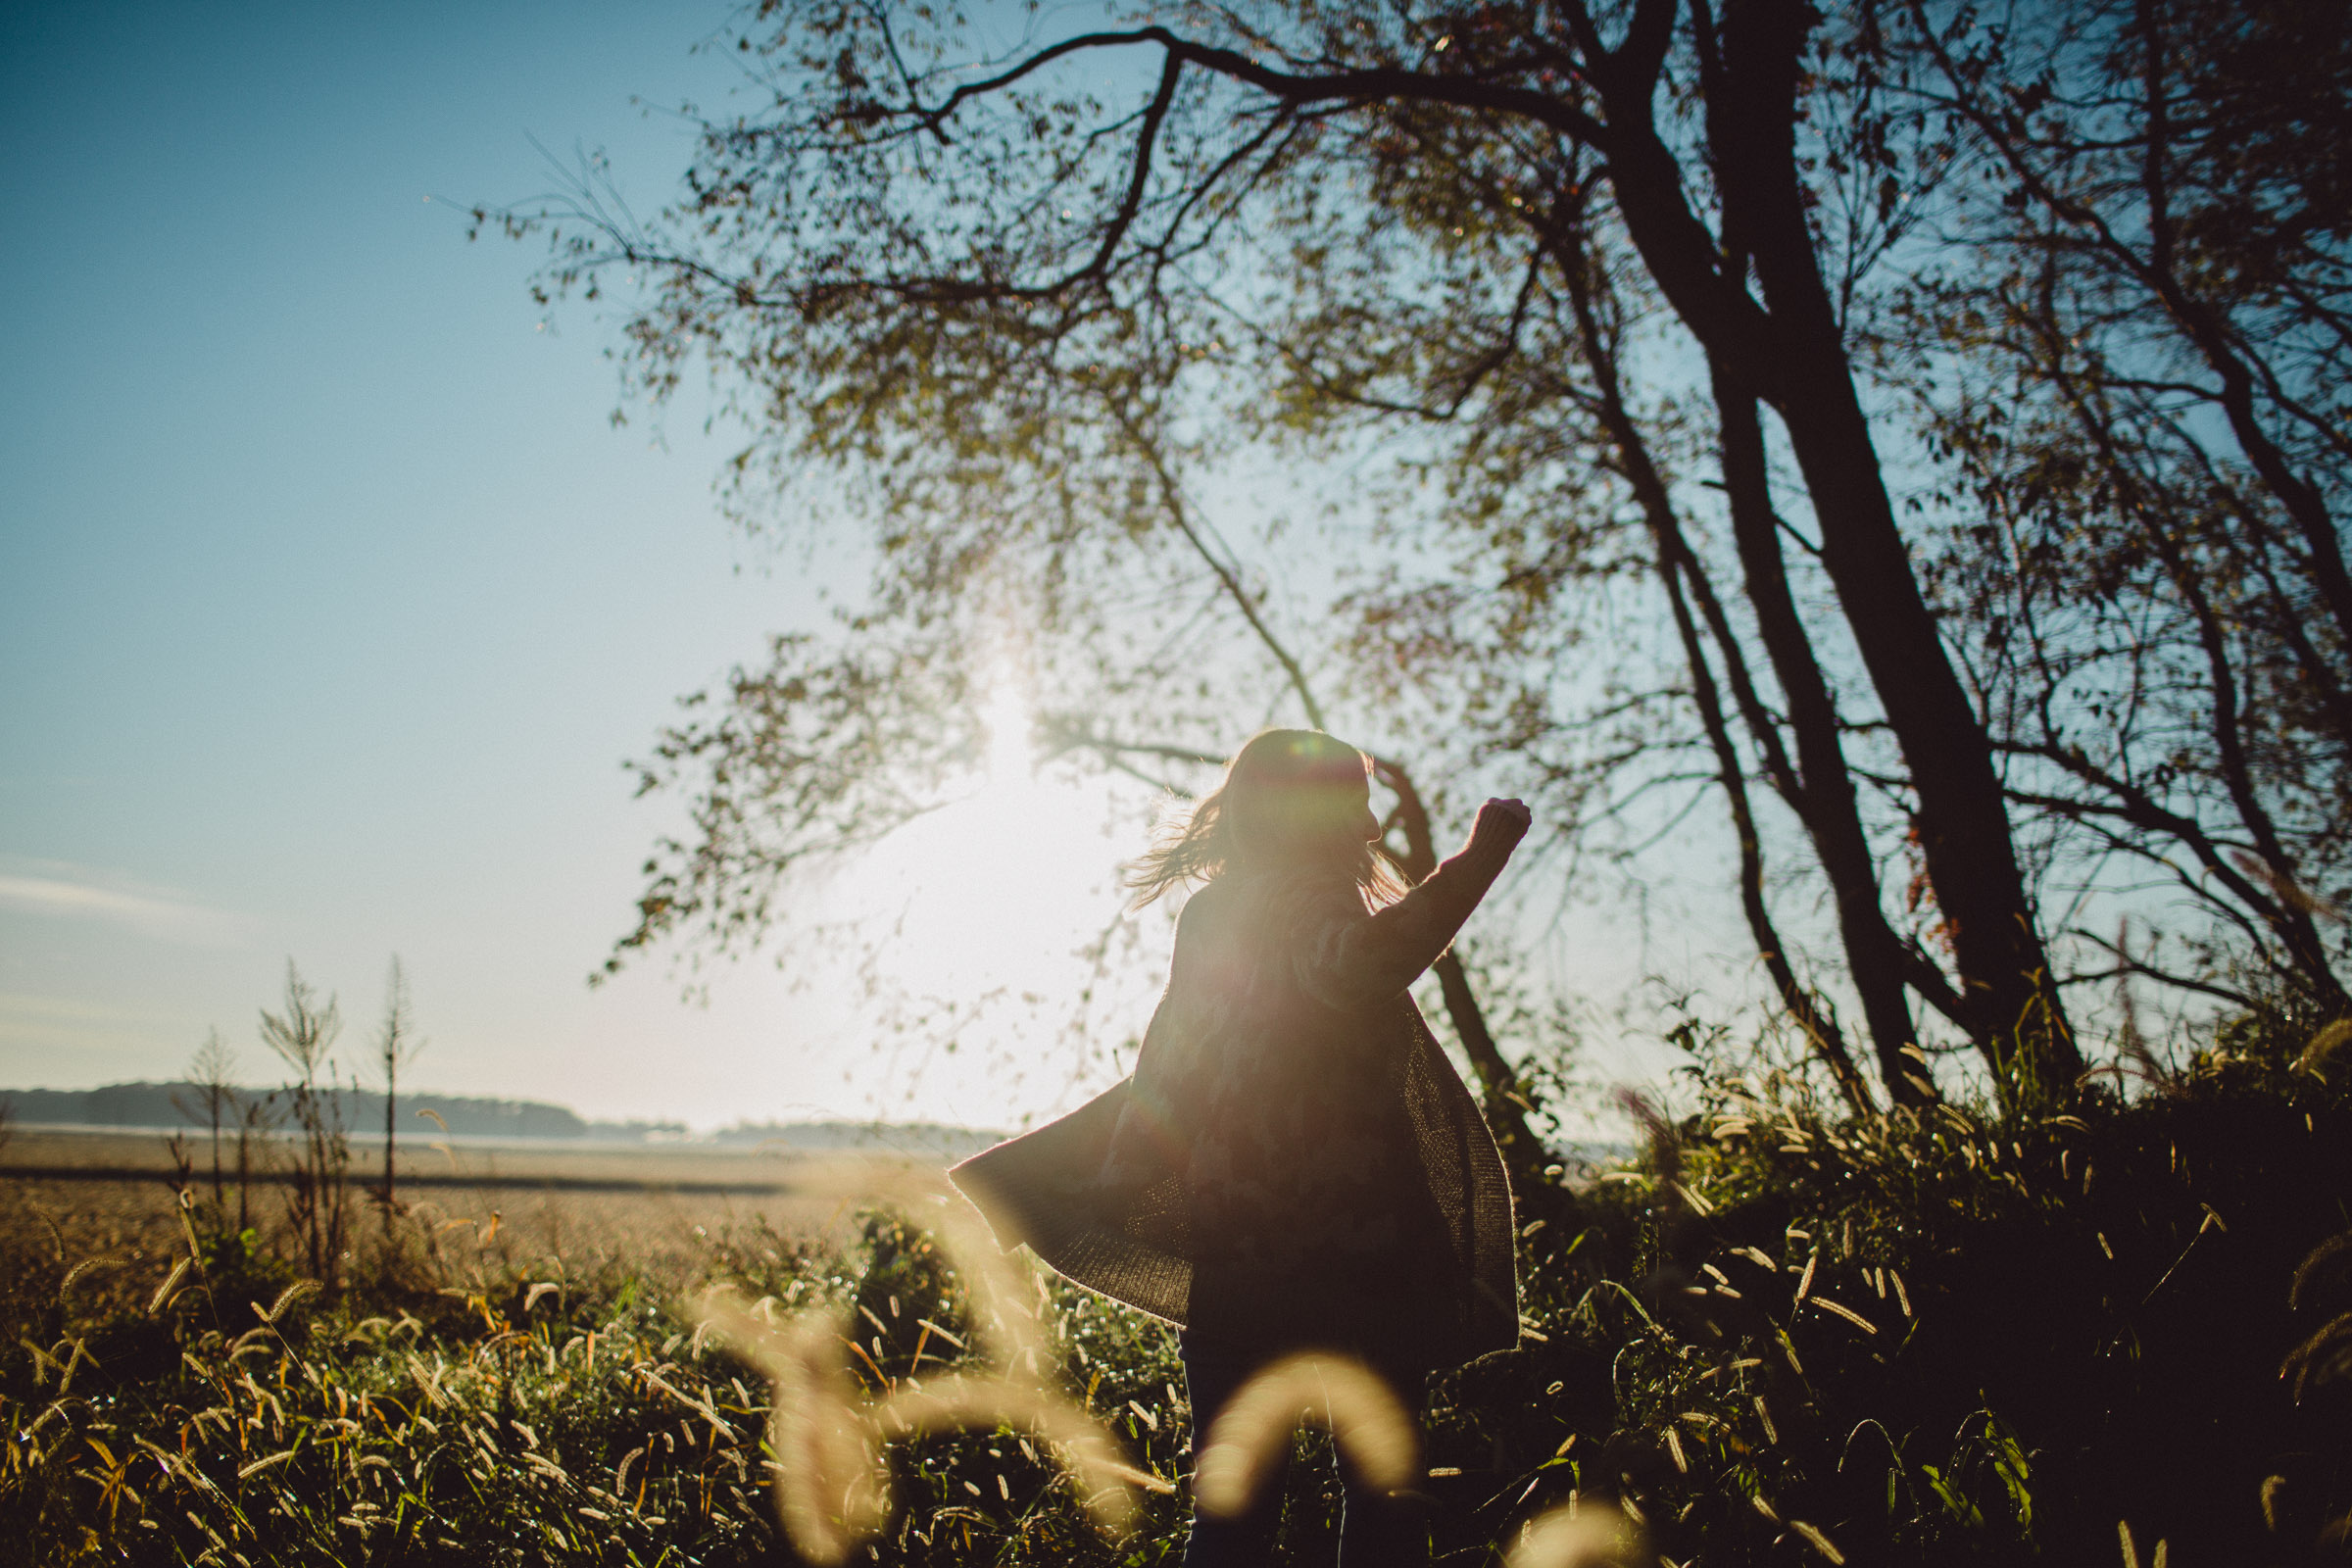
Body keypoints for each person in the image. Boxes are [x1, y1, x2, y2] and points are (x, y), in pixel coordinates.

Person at [951, 729, 1531, 1566]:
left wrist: (1108, 1179)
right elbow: (1363, 964)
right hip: (1356, 1257)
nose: (1371, 832)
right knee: (1383, 1504)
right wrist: (1480, 857)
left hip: (1239, 1261)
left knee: (1233, 1515)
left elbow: (1168, 1072)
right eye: (1356, 807)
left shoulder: (1213, 913)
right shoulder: (1304, 901)